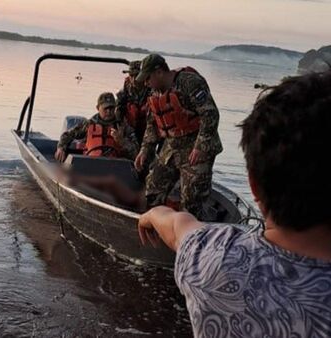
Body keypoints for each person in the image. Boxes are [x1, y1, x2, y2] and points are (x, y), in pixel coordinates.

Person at [137, 72, 331, 337]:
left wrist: (152, 215)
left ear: (253, 185)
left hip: (194, 153)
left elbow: (177, 225)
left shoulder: (209, 256)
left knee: (191, 202)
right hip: (176, 151)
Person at [134, 54, 222, 219]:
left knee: (192, 199)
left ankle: (194, 233)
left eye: (147, 78)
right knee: (153, 187)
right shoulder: (155, 92)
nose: (146, 83)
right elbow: (152, 125)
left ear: (159, 72)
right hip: (172, 145)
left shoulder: (189, 83)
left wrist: (200, 146)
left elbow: (210, 114)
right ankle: (156, 225)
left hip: (197, 144)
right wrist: (145, 150)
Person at [55, 92, 139, 162]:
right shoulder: (89, 124)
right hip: (91, 165)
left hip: (114, 168)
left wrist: (122, 141)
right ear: (98, 108)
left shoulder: (123, 126)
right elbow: (67, 135)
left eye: (111, 108)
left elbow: (136, 152)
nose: (109, 111)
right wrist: (61, 147)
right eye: (105, 108)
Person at [116, 60, 151, 145]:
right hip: (130, 126)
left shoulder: (151, 87)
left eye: (137, 75)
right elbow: (119, 106)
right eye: (131, 75)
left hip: (148, 127)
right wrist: (119, 125)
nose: (134, 79)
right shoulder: (127, 86)